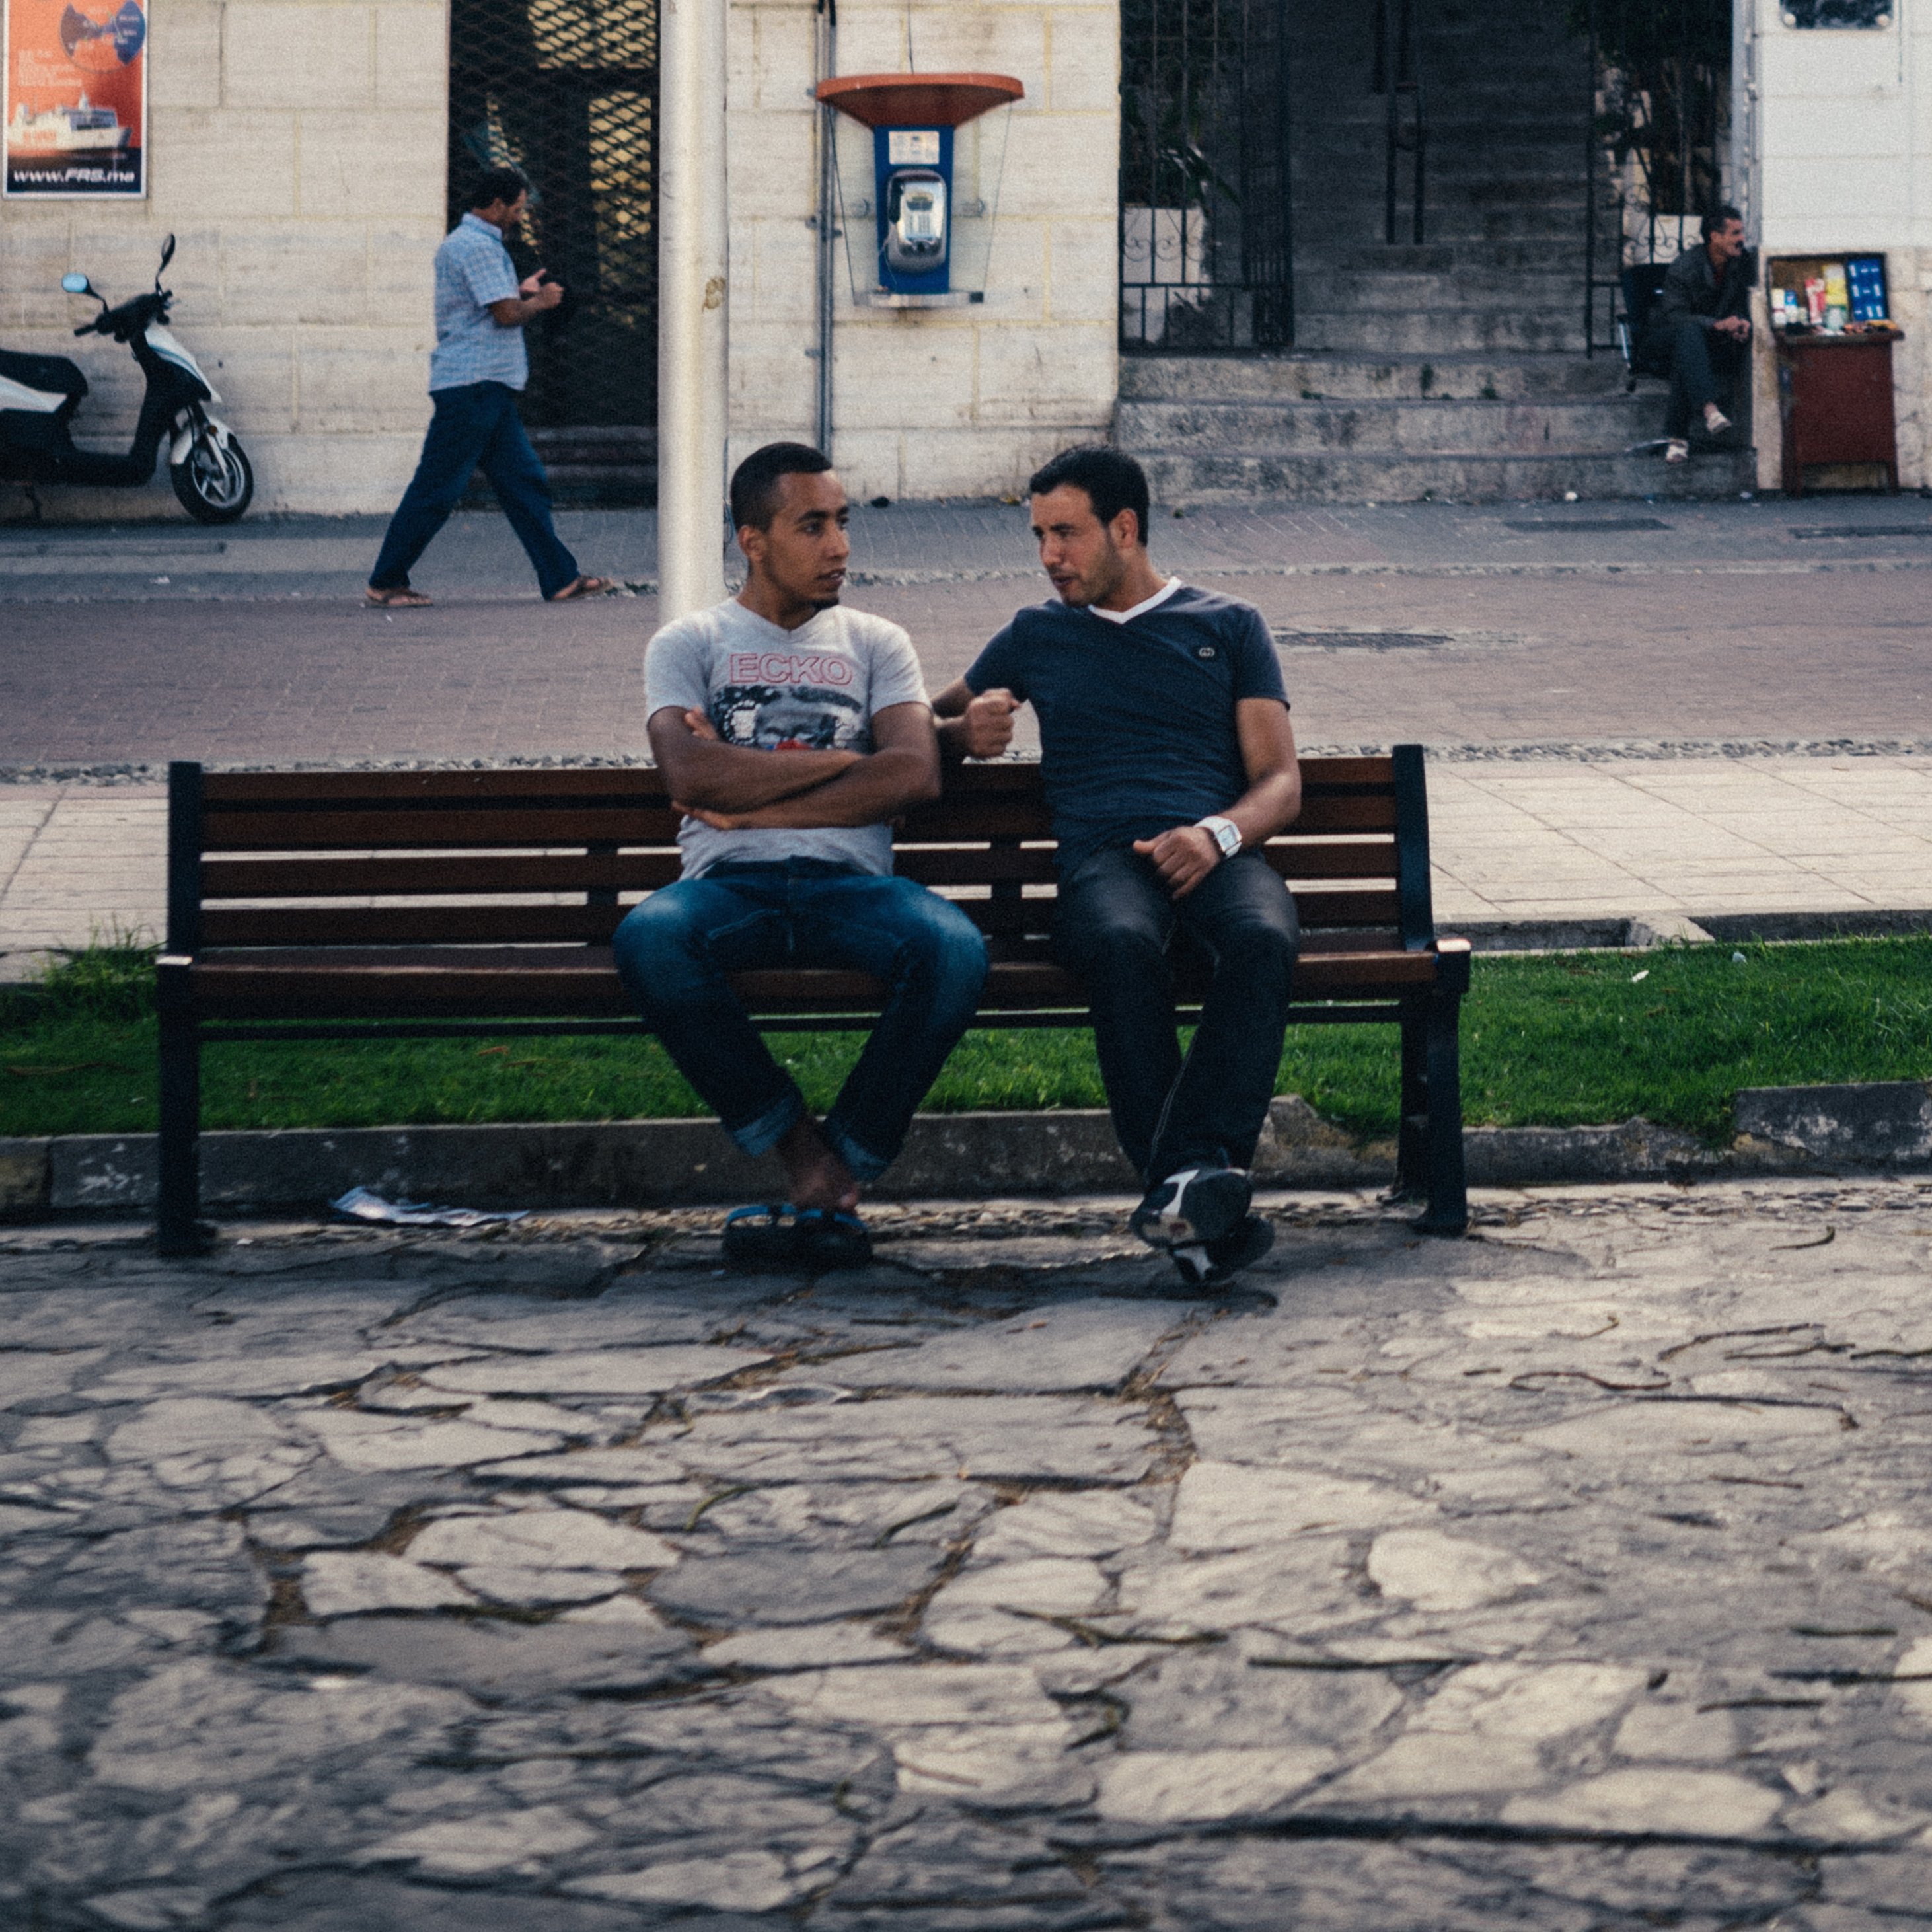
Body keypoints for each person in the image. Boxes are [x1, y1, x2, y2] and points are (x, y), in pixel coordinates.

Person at [933, 445, 1302, 1288]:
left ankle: (1181, 1187)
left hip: (1212, 849)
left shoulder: (1227, 624)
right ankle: (1198, 1195)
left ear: (1124, 528)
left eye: (1064, 533)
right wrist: (961, 733)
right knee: (1119, 942)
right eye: (1037, 536)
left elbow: (1280, 782)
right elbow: (918, 724)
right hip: (1100, 861)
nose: (1047, 556)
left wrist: (1215, 834)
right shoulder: (1034, 634)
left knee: (1260, 938)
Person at [613, 442, 987, 1268]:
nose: (839, 546)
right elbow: (687, 770)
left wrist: (749, 797)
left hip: (851, 888)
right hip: (725, 887)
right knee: (650, 936)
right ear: (752, 539)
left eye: (843, 523)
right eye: (811, 526)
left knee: (953, 948)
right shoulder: (688, 642)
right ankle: (799, 1149)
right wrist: (848, 758)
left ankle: (842, 1158)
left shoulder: (877, 642)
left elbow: (915, 772)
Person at [365, 165, 614, 608]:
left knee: (525, 483)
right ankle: (386, 581)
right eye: (517, 208)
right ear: (497, 205)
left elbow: (488, 305)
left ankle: (560, 578)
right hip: (473, 385)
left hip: (486, 387)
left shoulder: (472, 245)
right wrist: (541, 301)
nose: (520, 216)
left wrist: (518, 291)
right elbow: (504, 314)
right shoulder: (477, 247)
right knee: (437, 489)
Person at [1646, 204, 1751, 467]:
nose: (1742, 239)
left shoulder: (1740, 262)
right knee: (1688, 335)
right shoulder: (1686, 266)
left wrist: (1741, 323)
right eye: (1735, 233)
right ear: (1715, 237)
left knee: (1690, 352)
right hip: (1665, 341)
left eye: (1742, 232)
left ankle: (1678, 440)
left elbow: (1741, 303)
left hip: (1703, 347)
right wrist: (1716, 325)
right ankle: (1710, 410)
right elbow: (1674, 316)